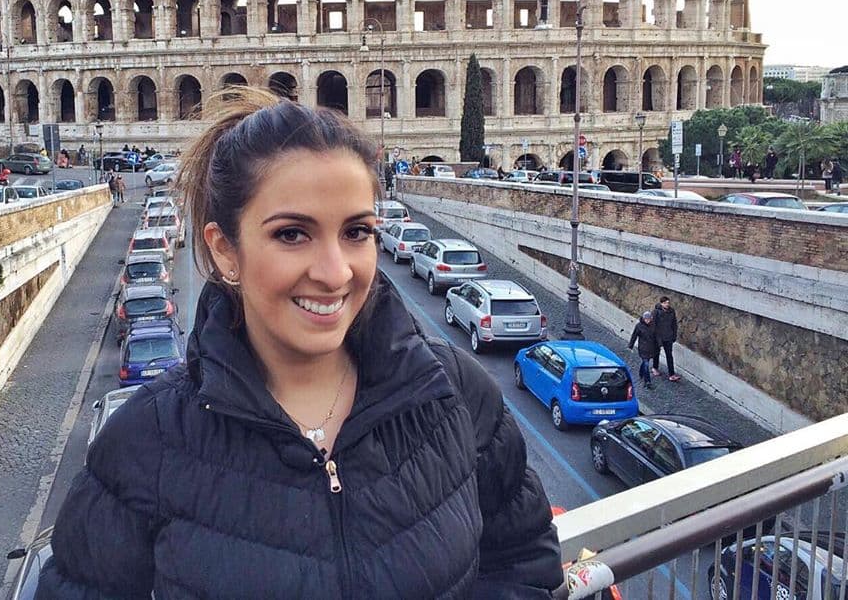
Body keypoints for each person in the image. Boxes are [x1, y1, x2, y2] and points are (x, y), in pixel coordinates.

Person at [36, 89, 562, 599]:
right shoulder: (143, 444)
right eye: (292, 234)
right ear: (224, 251)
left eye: (357, 231)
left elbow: (522, 559)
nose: (335, 274)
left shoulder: (455, 392)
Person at [652, 295, 681, 381]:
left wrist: (674, 335)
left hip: (668, 337)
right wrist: (656, 338)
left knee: (669, 356)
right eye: (665, 303)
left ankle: (671, 374)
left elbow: (674, 324)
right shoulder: (656, 312)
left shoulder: (672, 311)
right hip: (659, 337)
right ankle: (655, 367)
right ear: (661, 303)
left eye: (668, 303)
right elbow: (654, 326)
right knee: (656, 353)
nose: (667, 304)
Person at [628, 311, 658, 389]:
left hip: (651, 348)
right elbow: (634, 336)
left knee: (645, 363)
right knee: (646, 364)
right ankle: (647, 381)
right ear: (643, 319)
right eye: (646, 319)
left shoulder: (653, 325)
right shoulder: (639, 326)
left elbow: (656, 336)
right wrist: (630, 346)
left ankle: (641, 372)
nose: (647, 321)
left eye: (649, 319)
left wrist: (659, 344)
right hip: (643, 348)